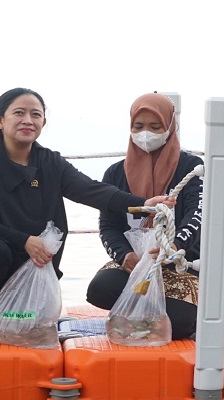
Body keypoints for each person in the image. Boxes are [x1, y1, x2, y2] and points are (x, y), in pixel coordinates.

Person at [0, 88, 174, 339]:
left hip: (35, 256)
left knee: (26, 315)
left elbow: (91, 190)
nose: (28, 120)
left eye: (35, 114)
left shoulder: (50, 162)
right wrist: (24, 240)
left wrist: (144, 203)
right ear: (0, 120)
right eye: (19, 113)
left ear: (43, 123)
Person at [86, 92, 203, 340]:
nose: (145, 134)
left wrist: (173, 247)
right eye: (138, 127)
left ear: (170, 127)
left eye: (155, 126)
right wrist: (124, 255)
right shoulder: (116, 172)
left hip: (181, 265)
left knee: (181, 324)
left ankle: (135, 315)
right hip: (135, 263)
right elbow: (108, 225)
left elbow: (196, 216)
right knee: (99, 290)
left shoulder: (193, 169)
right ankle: (145, 315)